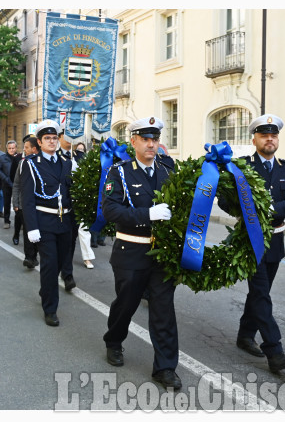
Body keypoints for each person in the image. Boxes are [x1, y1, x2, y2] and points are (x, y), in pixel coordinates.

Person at [219, 114, 285, 373]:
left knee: (259, 294)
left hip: (275, 240)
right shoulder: (242, 166)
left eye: (274, 135)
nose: (270, 139)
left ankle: (245, 335)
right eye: (264, 135)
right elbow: (224, 200)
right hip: (250, 240)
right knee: (261, 293)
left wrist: (270, 208)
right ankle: (274, 351)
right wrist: (245, 210)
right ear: (254, 138)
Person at [101, 116, 181, 389]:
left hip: (162, 252)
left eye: (155, 139)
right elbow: (111, 210)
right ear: (133, 141)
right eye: (145, 139)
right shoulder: (119, 172)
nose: (151, 144)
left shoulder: (168, 170)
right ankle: (114, 341)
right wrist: (148, 214)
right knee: (126, 304)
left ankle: (166, 368)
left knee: (163, 310)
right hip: (130, 250)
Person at [20, 120, 75, 327]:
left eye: (54, 138)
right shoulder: (31, 163)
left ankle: (46, 289)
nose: (52, 142)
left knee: (61, 262)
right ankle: (50, 308)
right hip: (44, 221)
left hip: (65, 221)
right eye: (47, 139)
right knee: (50, 265)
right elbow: (27, 199)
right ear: (40, 142)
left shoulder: (66, 162)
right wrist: (31, 227)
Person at [56, 130, 86, 286]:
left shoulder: (80, 157)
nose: (69, 139)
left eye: (71, 136)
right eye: (65, 136)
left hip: (73, 207)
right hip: (57, 207)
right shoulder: (53, 157)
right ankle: (57, 268)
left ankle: (67, 274)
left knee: (70, 240)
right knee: (57, 241)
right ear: (59, 138)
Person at [12, 135, 39, 267]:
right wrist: (15, 203)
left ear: (34, 149)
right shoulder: (22, 163)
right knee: (28, 231)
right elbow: (16, 184)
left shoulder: (41, 164)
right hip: (24, 204)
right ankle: (29, 257)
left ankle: (36, 254)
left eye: (27, 147)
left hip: (40, 205)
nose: (24, 149)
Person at [0, 140, 18, 229]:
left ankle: (19, 222)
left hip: (17, 184)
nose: (11, 150)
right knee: (7, 202)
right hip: (6, 183)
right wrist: (5, 179)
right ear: (7, 149)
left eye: (13, 148)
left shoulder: (19, 157)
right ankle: (6, 221)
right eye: (10, 148)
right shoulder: (2, 158)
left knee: (18, 203)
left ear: (16, 148)